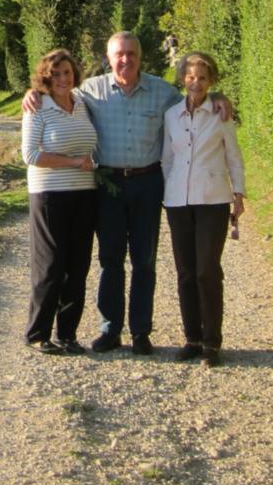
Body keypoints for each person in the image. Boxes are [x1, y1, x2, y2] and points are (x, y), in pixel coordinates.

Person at [23, 31, 231, 355]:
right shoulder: (89, 92)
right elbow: (55, 89)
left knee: (144, 261)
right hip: (108, 186)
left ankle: (140, 332)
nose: (125, 60)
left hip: (148, 182)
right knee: (109, 260)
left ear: (140, 57)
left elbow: (196, 96)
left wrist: (219, 96)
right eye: (119, 54)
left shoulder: (163, 93)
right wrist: (32, 93)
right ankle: (110, 330)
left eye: (131, 54)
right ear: (109, 58)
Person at [162, 51, 245, 367]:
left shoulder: (220, 114)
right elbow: (167, 158)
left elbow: (233, 156)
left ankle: (212, 342)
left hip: (213, 199)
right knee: (185, 272)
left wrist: (238, 193)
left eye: (202, 77)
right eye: (191, 76)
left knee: (206, 270)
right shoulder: (171, 115)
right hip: (178, 202)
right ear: (183, 78)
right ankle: (191, 338)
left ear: (212, 81)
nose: (195, 83)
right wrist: (166, 189)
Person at [22, 48, 98, 354]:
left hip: (84, 193)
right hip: (49, 194)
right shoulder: (37, 107)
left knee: (78, 266)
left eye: (67, 73)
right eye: (56, 74)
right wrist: (74, 162)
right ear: (46, 78)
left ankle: (68, 333)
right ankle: (37, 333)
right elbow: (30, 155)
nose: (63, 79)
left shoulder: (82, 104)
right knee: (50, 265)